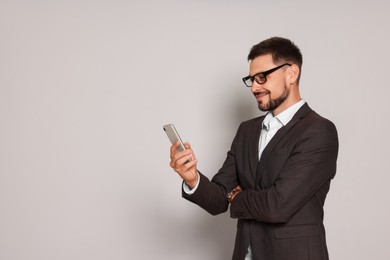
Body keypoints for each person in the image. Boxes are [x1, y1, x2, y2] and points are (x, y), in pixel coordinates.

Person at [168, 36, 339, 260]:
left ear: (291, 74)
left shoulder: (318, 131)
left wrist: (237, 198)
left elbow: (278, 205)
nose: (254, 87)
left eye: (262, 77)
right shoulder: (247, 131)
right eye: (251, 79)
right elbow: (220, 197)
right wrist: (192, 179)